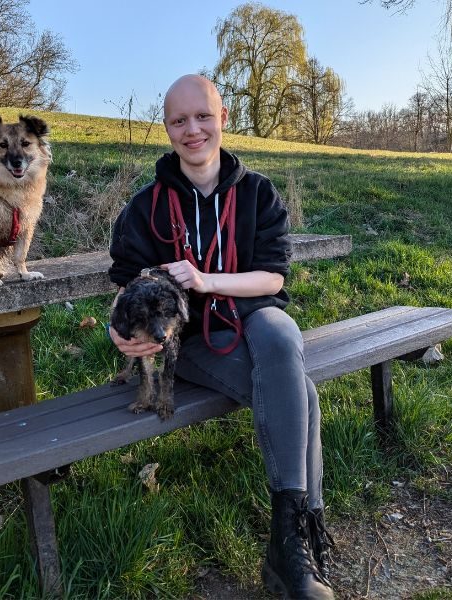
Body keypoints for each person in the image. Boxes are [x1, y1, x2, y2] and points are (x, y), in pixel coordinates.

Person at [108, 74, 334, 600]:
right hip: (189, 343)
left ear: (223, 117)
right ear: (166, 129)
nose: (193, 130)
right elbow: (126, 287)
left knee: (281, 336)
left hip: (254, 316)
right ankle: (298, 538)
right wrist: (122, 334)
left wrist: (207, 280)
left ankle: (289, 539)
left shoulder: (258, 193)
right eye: (179, 120)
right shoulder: (145, 207)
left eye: (203, 116)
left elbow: (273, 278)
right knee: (300, 393)